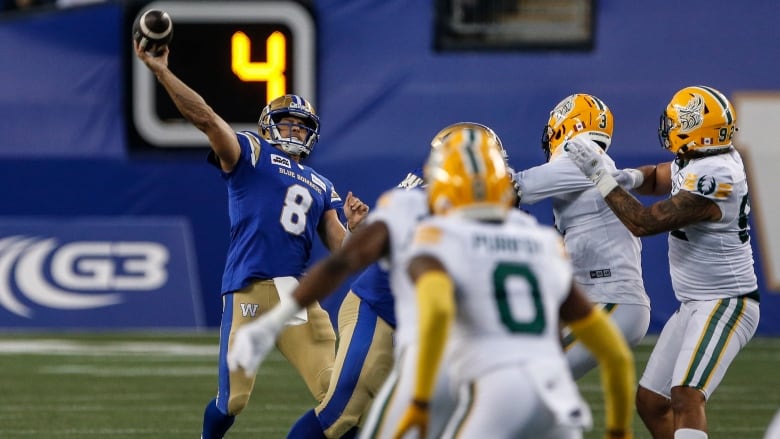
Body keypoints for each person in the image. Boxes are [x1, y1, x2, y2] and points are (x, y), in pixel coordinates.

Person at [133, 41, 370, 439]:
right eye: (288, 123)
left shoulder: (322, 183)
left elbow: (343, 253)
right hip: (249, 289)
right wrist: (161, 71)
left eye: (301, 126)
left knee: (336, 396)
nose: (294, 130)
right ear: (269, 124)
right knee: (234, 400)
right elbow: (207, 119)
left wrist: (358, 233)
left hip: (297, 294)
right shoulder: (252, 151)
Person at [228, 123, 507, 439]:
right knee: (339, 413)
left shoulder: (506, 213)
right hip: (379, 311)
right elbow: (347, 260)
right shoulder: (416, 201)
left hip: (429, 327)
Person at [393, 123, 636, 439]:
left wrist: (421, 399)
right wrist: (619, 428)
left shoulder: (442, 238)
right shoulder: (543, 243)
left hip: (498, 389)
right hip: (556, 402)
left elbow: (438, 315)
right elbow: (615, 355)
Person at [564, 85, 761, 439]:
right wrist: (626, 177)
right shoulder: (702, 158)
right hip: (695, 303)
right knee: (652, 401)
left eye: (675, 122)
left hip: (725, 302)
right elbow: (659, 176)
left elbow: (644, 222)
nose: (668, 128)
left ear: (692, 128)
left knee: (686, 396)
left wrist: (600, 177)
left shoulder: (716, 177)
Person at [512, 93, 651, 379]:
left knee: (537, 382)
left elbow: (516, 187)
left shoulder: (580, 155)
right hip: (596, 296)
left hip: (610, 299)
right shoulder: (596, 161)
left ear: (565, 124)